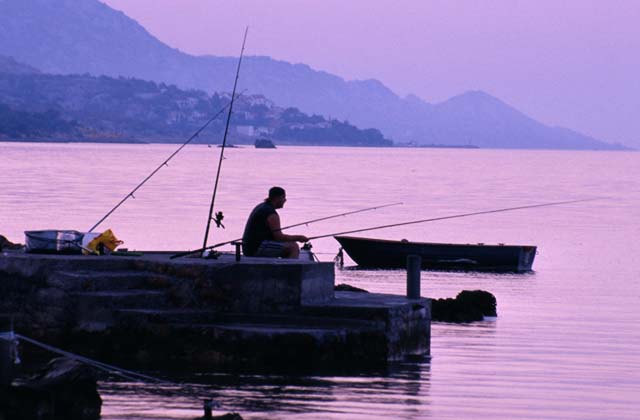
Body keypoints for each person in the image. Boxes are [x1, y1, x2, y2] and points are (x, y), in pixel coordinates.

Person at [242, 186, 308, 258]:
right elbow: (279, 237)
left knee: (284, 245)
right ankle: (289, 269)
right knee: (293, 247)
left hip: (248, 247)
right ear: (277, 198)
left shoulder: (261, 206)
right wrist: (299, 238)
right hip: (255, 249)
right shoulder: (271, 214)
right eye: (283, 197)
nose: (285, 200)